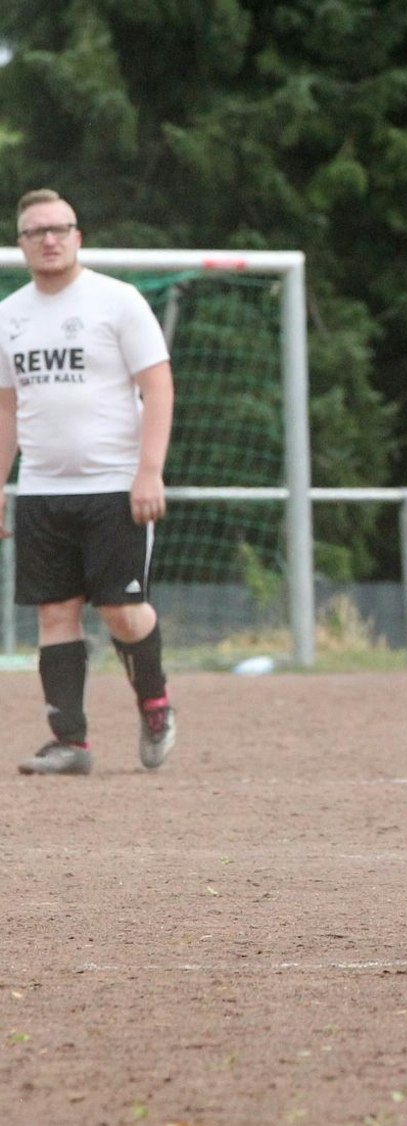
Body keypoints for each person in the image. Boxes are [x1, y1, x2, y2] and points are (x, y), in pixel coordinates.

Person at [2, 189, 178, 777]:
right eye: (36, 231)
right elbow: (6, 409)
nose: (49, 239)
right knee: (55, 613)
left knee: (122, 611)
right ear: (21, 243)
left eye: (60, 228)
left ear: (78, 236)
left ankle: (155, 705)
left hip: (114, 486)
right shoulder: (9, 316)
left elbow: (158, 386)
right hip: (42, 490)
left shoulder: (117, 301)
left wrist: (148, 470)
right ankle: (69, 742)